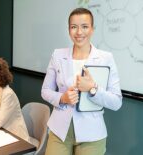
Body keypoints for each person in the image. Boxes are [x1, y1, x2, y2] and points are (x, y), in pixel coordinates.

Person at [41, 8, 122, 155]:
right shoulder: (58, 55)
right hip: (60, 130)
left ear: (92, 29)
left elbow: (116, 102)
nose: (79, 32)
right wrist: (62, 98)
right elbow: (45, 91)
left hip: (92, 134)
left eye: (84, 26)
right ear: (69, 29)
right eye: (74, 27)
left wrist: (93, 89)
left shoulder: (106, 58)